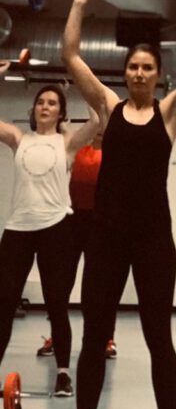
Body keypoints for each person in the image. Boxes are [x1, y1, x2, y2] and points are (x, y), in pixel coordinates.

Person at [52, 0, 176, 409]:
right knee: (94, 335)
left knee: (157, 337)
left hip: (153, 241)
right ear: (124, 72)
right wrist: (79, 3)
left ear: (159, 75)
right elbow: (70, 56)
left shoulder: (170, 112)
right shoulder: (109, 108)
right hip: (106, 238)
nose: (139, 73)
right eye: (133, 67)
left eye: (147, 67)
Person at [0, 64, 99, 400]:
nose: (45, 106)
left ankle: (63, 375)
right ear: (34, 110)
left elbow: (97, 120)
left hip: (57, 227)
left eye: (52, 103)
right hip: (18, 228)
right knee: (4, 303)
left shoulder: (67, 143)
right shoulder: (19, 139)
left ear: (61, 112)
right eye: (41, 102)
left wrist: (82, 84)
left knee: (57, 304)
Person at [38, 129, 118, 361]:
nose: (100, 131)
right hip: (72, 221)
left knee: (100, 288)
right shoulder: (78, 151)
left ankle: (107, 338)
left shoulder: (115, 154)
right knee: (61, 284)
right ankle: (57, 336)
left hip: (100, 224)